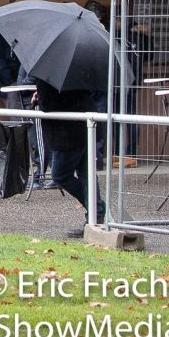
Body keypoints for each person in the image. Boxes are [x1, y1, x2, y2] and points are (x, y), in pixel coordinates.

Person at [35, 75, 103, 237]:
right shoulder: (77, 71)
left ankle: (96, 209)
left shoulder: (47, 75)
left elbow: (48, 105)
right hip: (86, 126)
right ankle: (96, 215)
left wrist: (38, 100)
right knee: (86, 174)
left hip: (67, 134)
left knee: (61, 175)